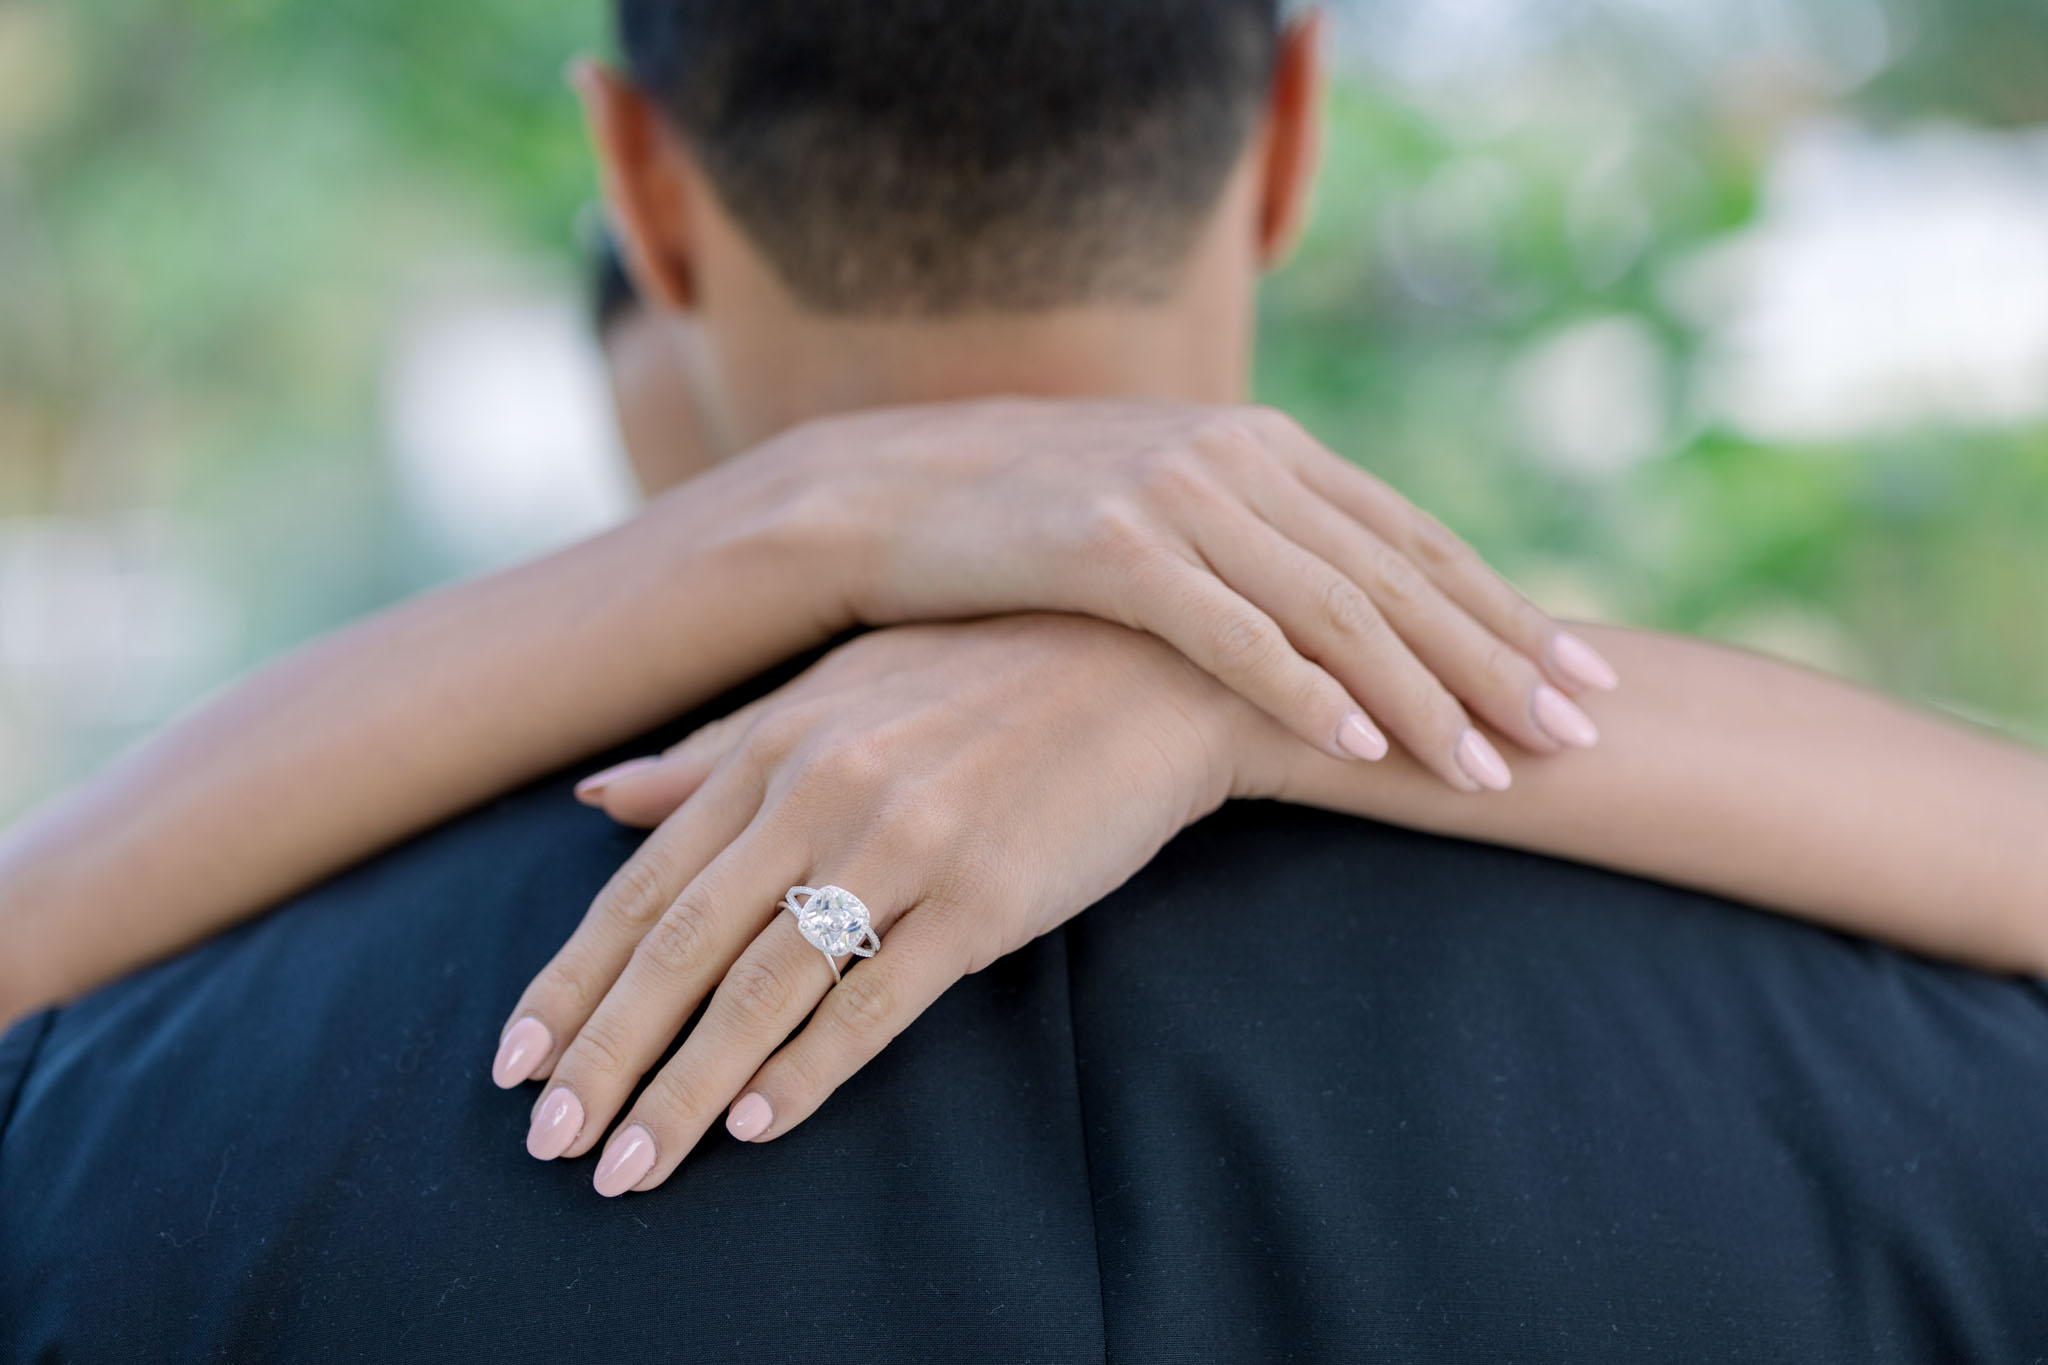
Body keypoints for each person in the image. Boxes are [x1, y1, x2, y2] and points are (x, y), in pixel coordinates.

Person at [2, 1, 2046, 1358]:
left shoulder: (96, 1123)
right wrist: (1265, 690)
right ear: (1290, 136)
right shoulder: (1959, 1084)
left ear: (638, 180)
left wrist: (803, 525)